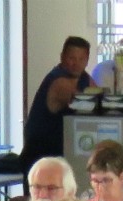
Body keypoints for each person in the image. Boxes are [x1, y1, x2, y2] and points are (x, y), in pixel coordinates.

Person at [22, 35, 93, 166]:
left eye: (81, 59)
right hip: (40, 157)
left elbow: (98, 95)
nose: (76, 64)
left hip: (61, 155)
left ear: (87, 60)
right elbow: (88, 102)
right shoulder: (58, 80)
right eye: (71, 58)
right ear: (62, 57)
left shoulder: (84, 77)